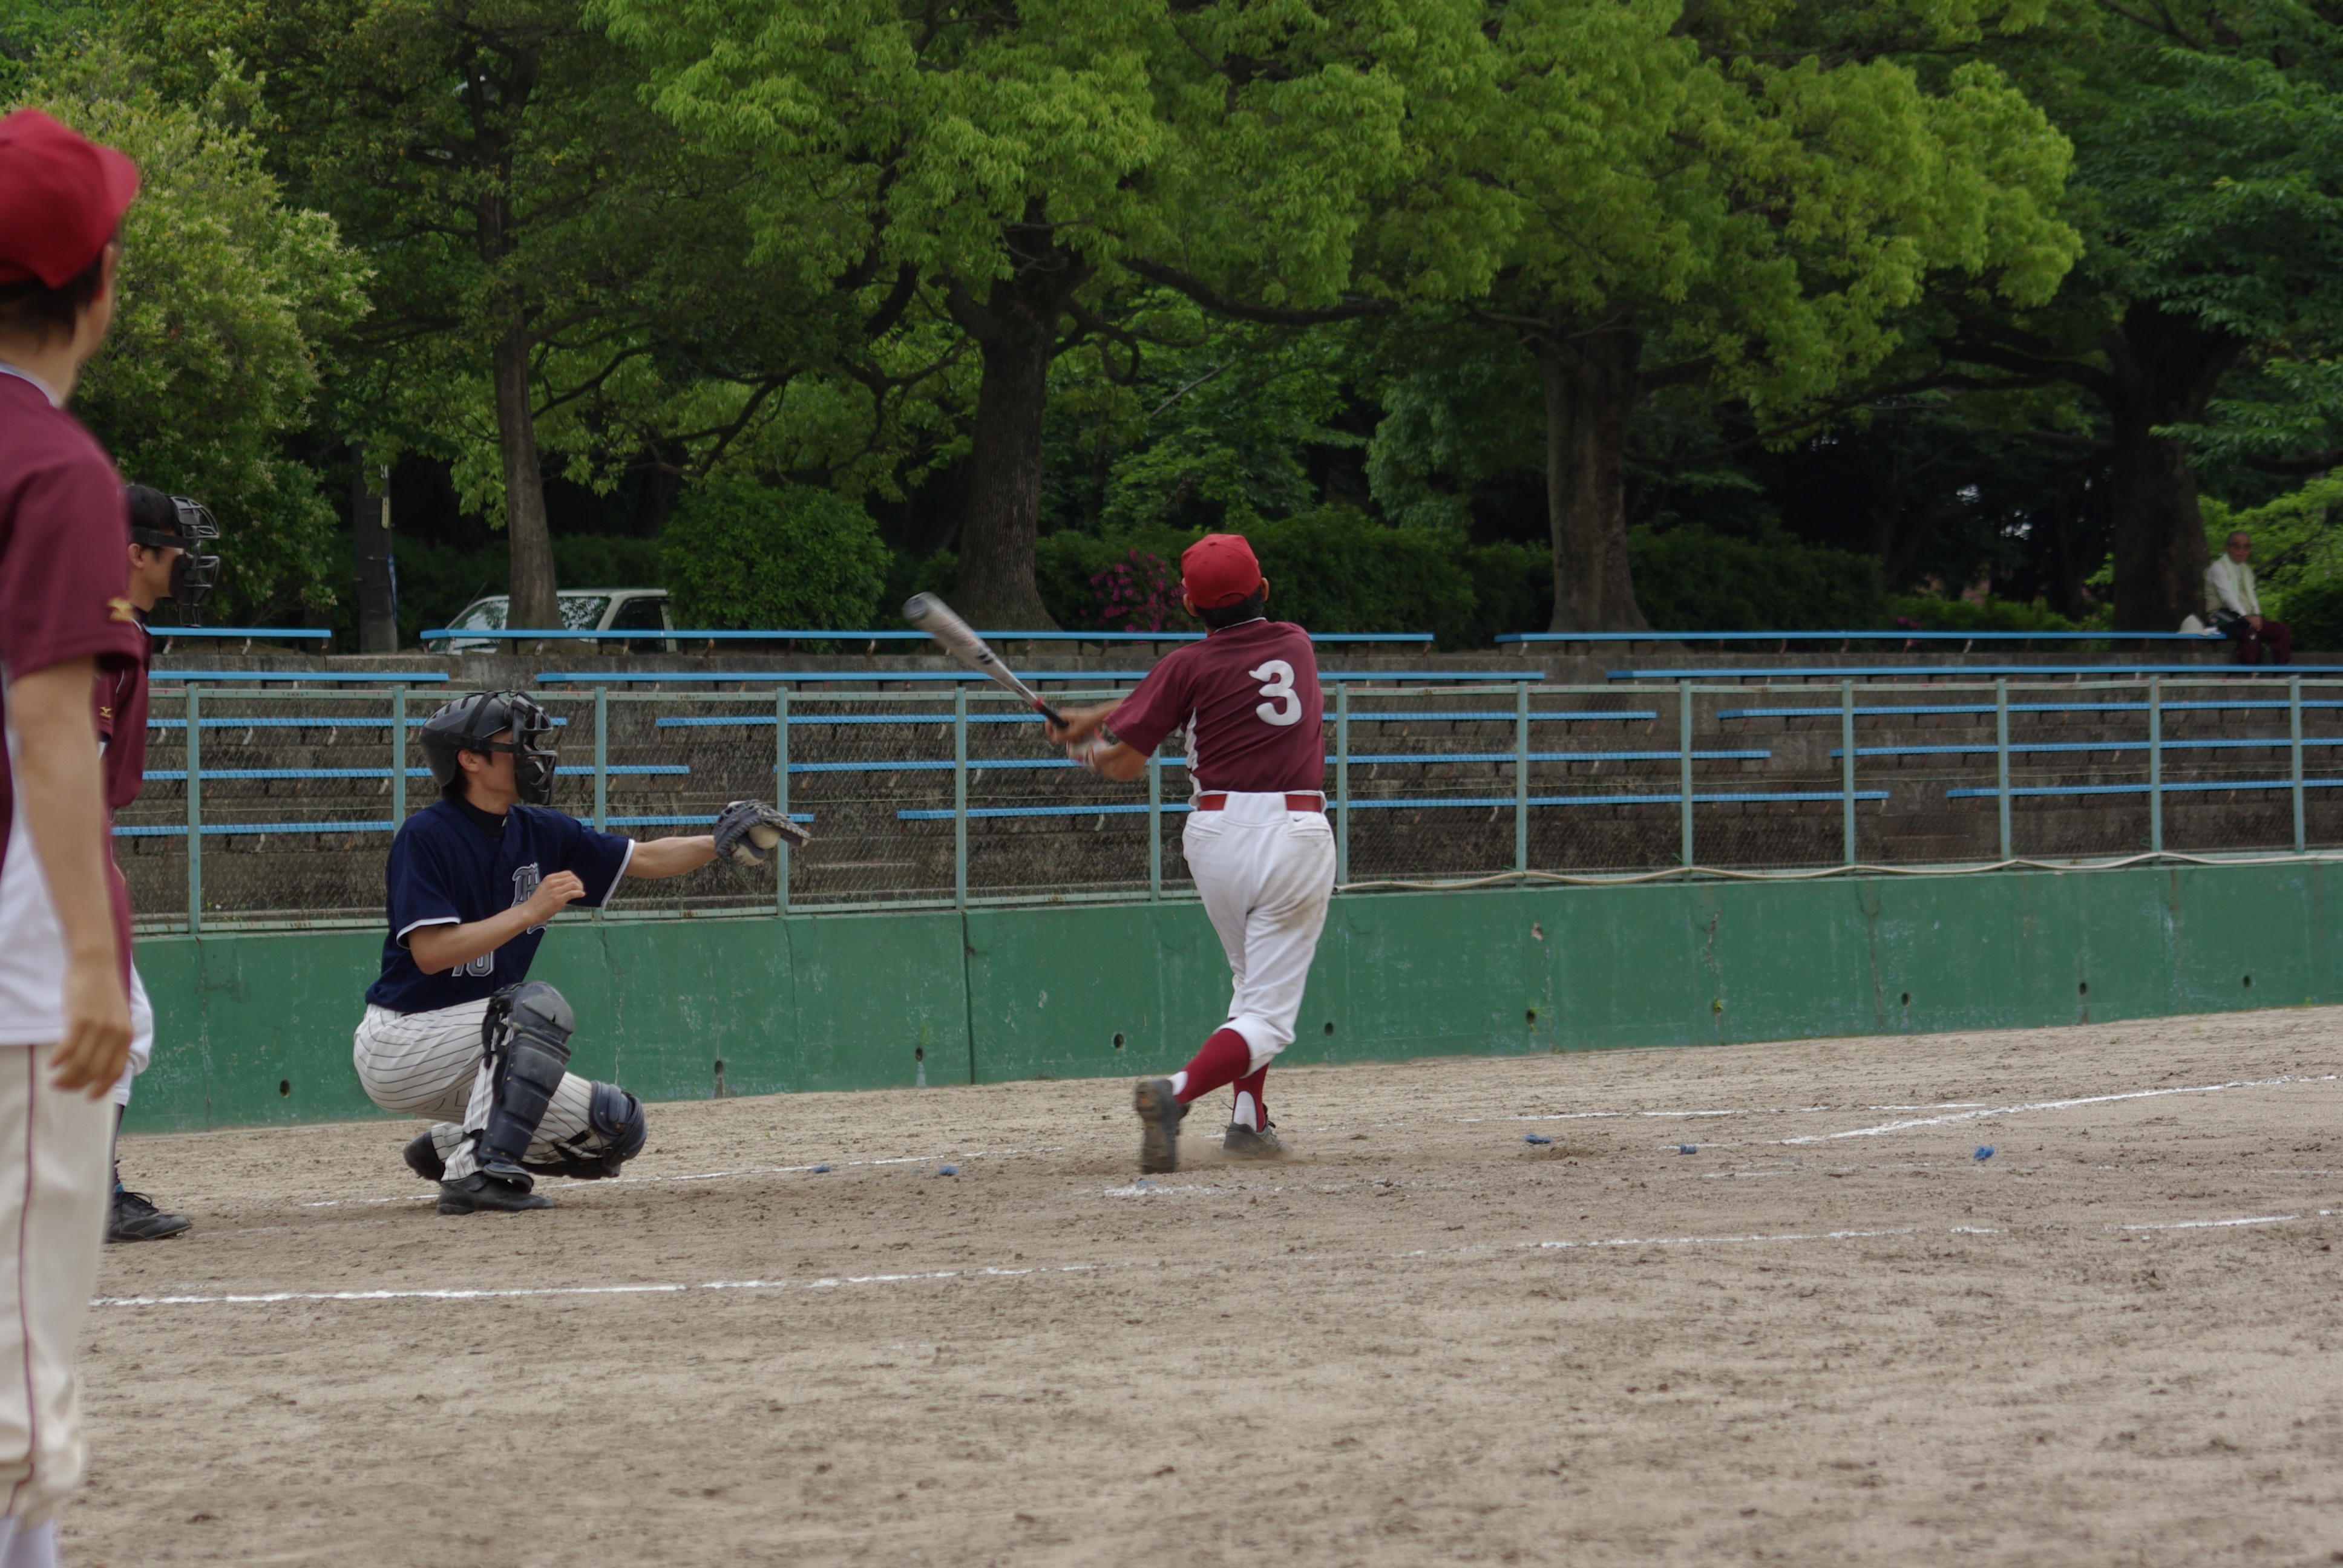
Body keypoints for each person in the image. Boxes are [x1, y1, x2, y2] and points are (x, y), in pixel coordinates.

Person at [350, 690, 802, 1214]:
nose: (532, 754)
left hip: (479, 1049)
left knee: (615, 1127)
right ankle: (474, 1174)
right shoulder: (426, 835)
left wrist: (721, 840)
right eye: (516, 744)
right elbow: (431, 953)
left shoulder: (539, 830)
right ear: (470, 760)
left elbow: (643, 858)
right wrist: (529, 912)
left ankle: (448, 1147)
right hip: (403, 1042)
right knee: (530, 1009)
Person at [0, 105, 144, 1566]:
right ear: (95, 289)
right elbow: (50, 727)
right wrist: (93, 968)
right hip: (15, 964)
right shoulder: (54, 468)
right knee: (18, 1357)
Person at [1044, 533, 1335, 1172]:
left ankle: (1248, 1122)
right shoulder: (1297, 643)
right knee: (1267, 1017)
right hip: (1294, 833)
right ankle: (1175, 1094)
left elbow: (1129, 760)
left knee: (1250, 986)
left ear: (1189, 605)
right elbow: (1204, 684)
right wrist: (1096, 722)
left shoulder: (1185, 666)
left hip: (1217, 838)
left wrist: (1088, 748)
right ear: (1263, 590)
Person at [96, 485, 220, 1243]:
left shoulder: (110, 626)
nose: (186, 562)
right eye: (175, 548)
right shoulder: (100, 631)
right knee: (116, 1020)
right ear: (134, 552)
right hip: (38, 852)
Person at [2207, 531, 2292, 665]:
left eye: (2246, 547)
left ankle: (2282, 670)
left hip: (2246, 617)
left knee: (2280, 630)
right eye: (2237, 546)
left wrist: (2256, 615)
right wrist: (2246, 617)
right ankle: (2250, 670)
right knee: (2249, 628)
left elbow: (2252, 595)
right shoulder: (2218, 568)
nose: (2241, 550)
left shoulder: (2247, 570)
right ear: (2227, 547)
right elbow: (2227, 596)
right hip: (2222, 615)